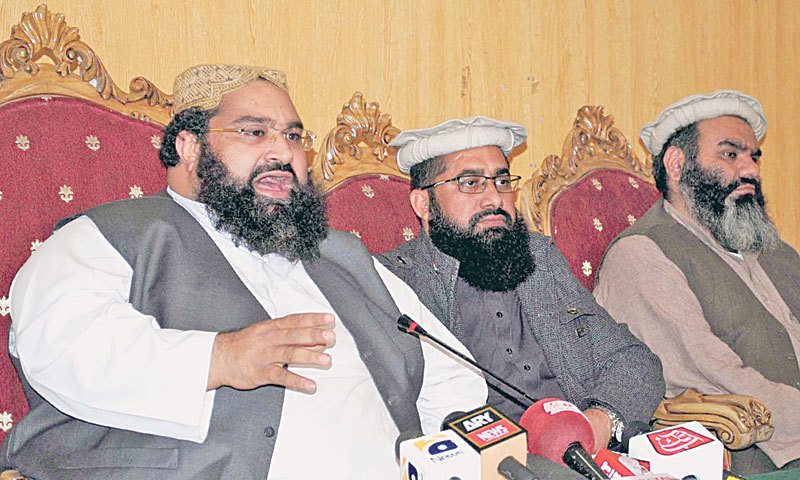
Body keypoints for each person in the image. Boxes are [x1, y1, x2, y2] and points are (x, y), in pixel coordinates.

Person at [1, 64, 486, 479]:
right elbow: (60, 342)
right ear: (189, 148)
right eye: (254, 132)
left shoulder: (343, 254)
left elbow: (454, 379)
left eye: (293, 136)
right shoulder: (112, 233)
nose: (282, 153)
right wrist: (218, 358)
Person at [377, 116, 665, 454]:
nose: (494, 199)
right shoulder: (394, 281)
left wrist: (600, 422)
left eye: (502, 182)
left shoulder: (540, 260)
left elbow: (632, 359)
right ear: (423, 204)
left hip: (584, 454)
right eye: (470, 183)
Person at [594, 90, 800, 473]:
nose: (751, 170)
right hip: (756, 458)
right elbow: (713, 379)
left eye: (753, 156)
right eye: (730, 154)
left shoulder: (772, 250)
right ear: (677, 163)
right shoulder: (642, 255)